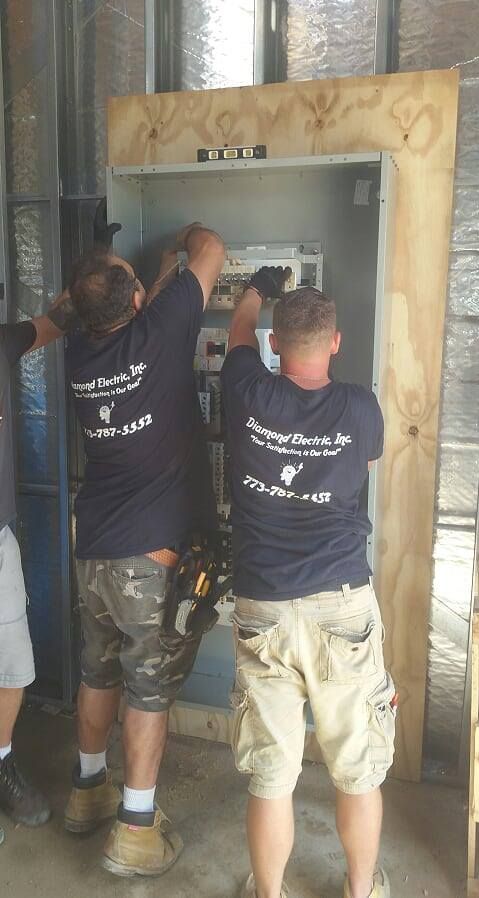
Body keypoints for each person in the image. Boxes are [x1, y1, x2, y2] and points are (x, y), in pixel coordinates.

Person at [220, 268, 395, 898]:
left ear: (274, 342)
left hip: (262, 603)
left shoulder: (245, 389)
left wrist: (256, 292)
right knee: (358, 768)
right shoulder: (359, 407)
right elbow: (367, 460)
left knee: (271, 774)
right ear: (337, 343)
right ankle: (359, 890)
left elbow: (237, 331)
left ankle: (269, 893)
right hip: (342, 605)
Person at [63, 222, 225, 878]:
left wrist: (155, 271)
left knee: (98, 672)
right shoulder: (160, 331)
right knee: (148, 688)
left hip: (94, 545)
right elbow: (211, 248)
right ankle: (134, 829)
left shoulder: (78, 351)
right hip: (147, 556)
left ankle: (86, 790)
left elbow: (139, 304)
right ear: (136, 305)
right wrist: (184, 238)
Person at [0, 292, 77, 836]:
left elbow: (52, 324)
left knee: (13, 670)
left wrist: (91, 289)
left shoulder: (2, 342)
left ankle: (0, 759)